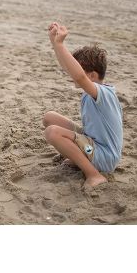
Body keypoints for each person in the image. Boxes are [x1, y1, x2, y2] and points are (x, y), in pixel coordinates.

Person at [43, 22, 123, 188]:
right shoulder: (93, 92)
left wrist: (60, 43)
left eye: (77, 70)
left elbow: (79, 76)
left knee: (53, 133)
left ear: (92, 75)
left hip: (104, 156)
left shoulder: (103, 94)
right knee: (50, 118)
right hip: (91, 144)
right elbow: (70, 68)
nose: (71, 75)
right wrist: (54, 42)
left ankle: (93, 174)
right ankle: (77, 157)